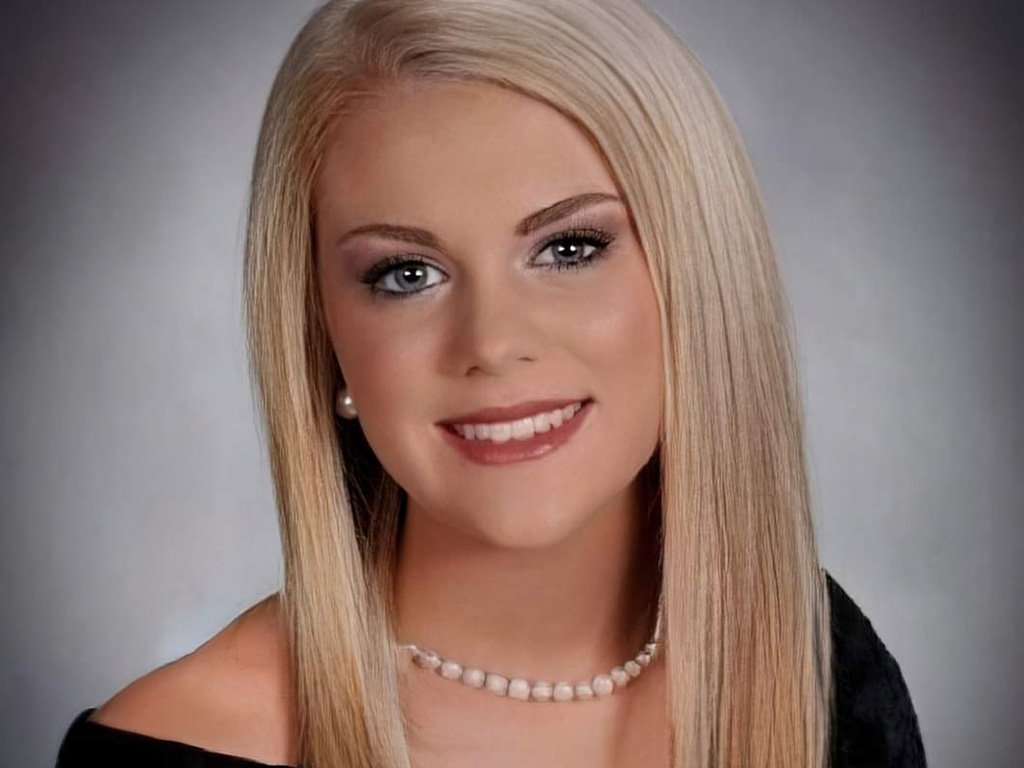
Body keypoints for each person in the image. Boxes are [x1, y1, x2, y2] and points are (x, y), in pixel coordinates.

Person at [55, 0, 926, 766]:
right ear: (321, 336)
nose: (492, 344)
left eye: (570, 249)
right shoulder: (175, 743)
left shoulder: (821, 672)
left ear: (700, 278)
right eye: (405, 274)